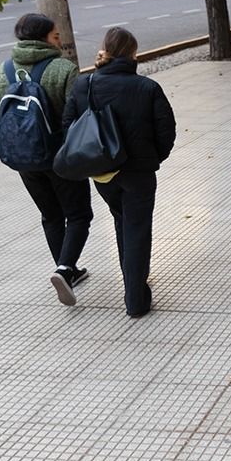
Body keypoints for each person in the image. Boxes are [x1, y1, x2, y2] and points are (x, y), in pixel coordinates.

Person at [62, 28, 176, 319]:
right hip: (138, 173)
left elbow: (69, 126)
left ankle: (132, 280)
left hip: (102, 172)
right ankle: (135, 298)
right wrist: (153, 159)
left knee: (121, 220)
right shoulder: (147, 88)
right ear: (132, 53)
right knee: (137, 228)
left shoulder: (83, 85)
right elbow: (166, 131)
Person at [0, 13, 91, 307]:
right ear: (45, 38)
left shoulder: (3, 71)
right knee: (78, 214)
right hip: (61, 156)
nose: (59, 40)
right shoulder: (62, 68)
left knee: (50, 215)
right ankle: (64, 269)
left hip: (23, 157)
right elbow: (79, 114)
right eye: (56, 36)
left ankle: (68, 269)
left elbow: (1, 113)